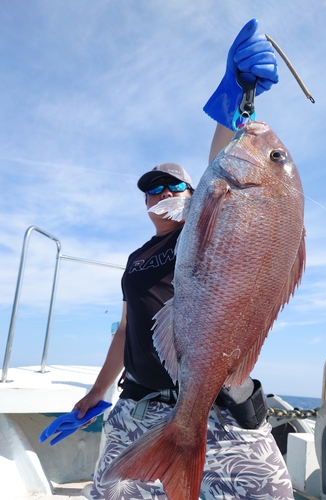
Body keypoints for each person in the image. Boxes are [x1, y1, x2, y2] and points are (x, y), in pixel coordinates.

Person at [74, 19, 294, 500]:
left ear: (197, 196)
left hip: (212, 403)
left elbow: (228, 176)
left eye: (174, 185)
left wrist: (234, 101)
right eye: (152, 188)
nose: (162, 193)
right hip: (137, 405)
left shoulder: (202, 227)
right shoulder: (135, 258)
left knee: (272, 492)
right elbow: (126, 329)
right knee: (109, 493)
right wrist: (97, 391)